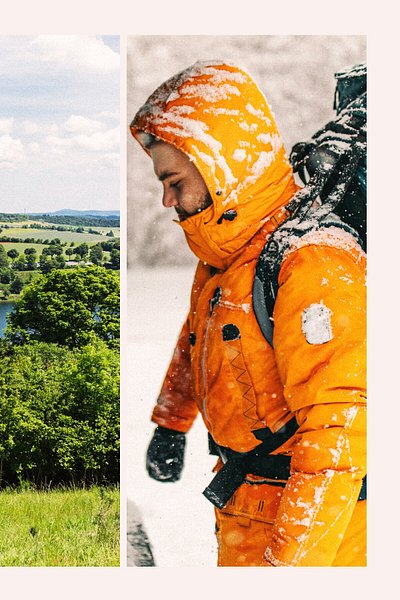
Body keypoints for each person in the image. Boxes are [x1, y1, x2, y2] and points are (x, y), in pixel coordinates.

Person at [129, 61, 366, 566]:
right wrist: (172, 422)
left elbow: (339, 435)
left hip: (321, 538)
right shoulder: (226, 253)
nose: (166, 199)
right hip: (247, 509)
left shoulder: (312, 261)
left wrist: (288, 569)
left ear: (220, 169)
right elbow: (201, 333)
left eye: (174, 181)